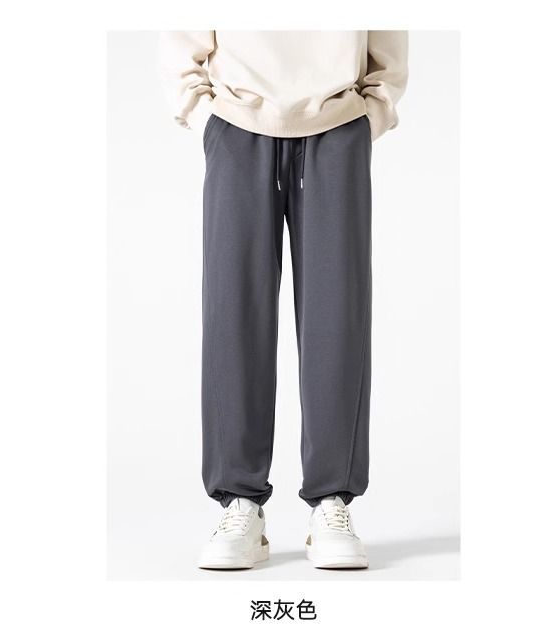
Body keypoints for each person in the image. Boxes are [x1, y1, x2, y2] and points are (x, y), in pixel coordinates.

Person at [159, 30, 408, 570]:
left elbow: (387, 43)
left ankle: (332, 499)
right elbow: (183, 37)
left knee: (337, 316)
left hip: (338, 124)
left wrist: (371, 115)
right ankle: (240, 502)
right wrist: (204, 116)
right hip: (236, 125)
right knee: (233, 314)